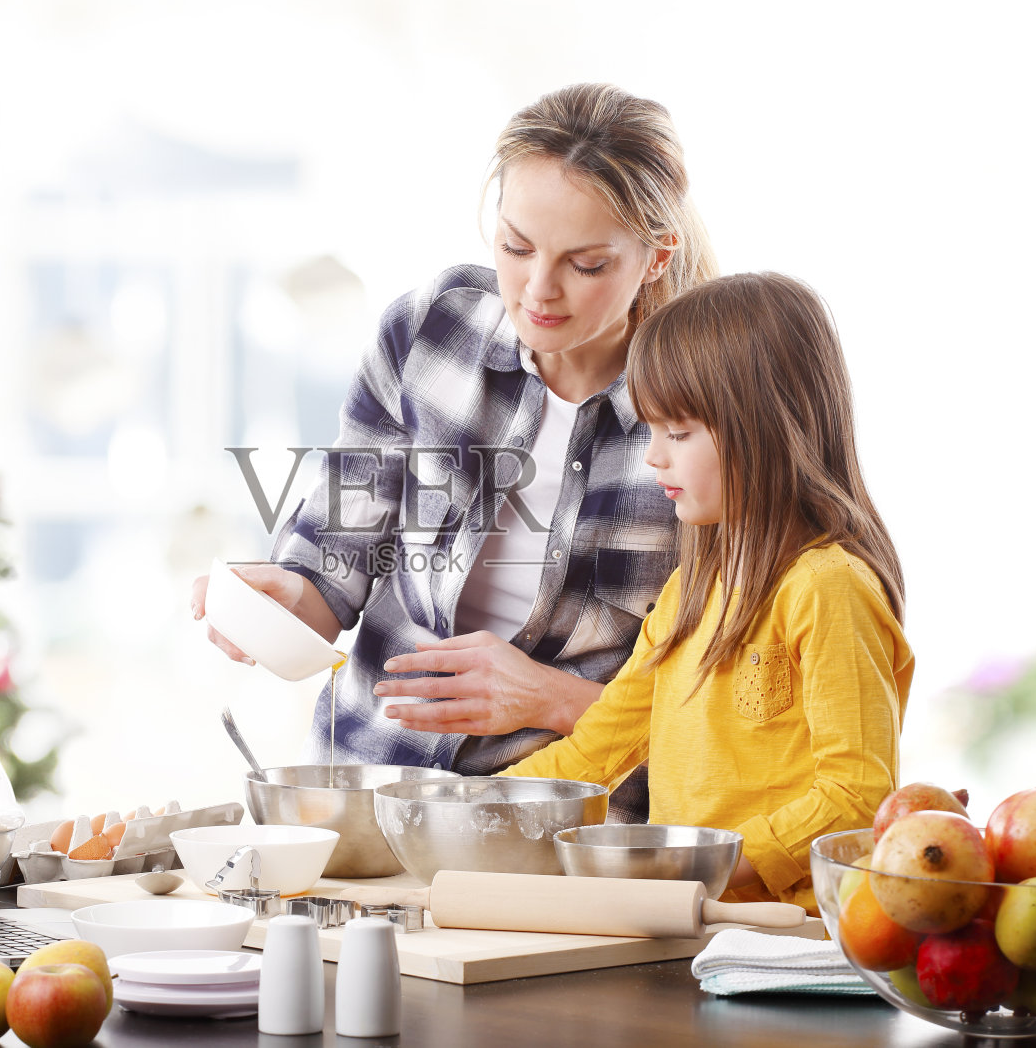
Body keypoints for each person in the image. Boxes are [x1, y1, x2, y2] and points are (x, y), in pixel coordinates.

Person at [190, 83, 716, 821]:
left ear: (656, 256)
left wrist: (554, 698)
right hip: (365, 793)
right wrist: (284, 600)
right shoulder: (431, 330)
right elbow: (335, 560)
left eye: (586, 264)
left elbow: (732, 705)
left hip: (565, 822)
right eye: (516, 246)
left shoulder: (710, 411)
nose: (539, 290)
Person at [500, 271, 913, 912]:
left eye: (680, 433)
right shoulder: (690, 593)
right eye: (652, 430)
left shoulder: (829, 589)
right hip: (701, 923)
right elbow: (595, 751)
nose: (653, 458)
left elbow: (856, 794)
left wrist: (702, 868)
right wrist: (467, 808)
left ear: (767, 428)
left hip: (789, 937)